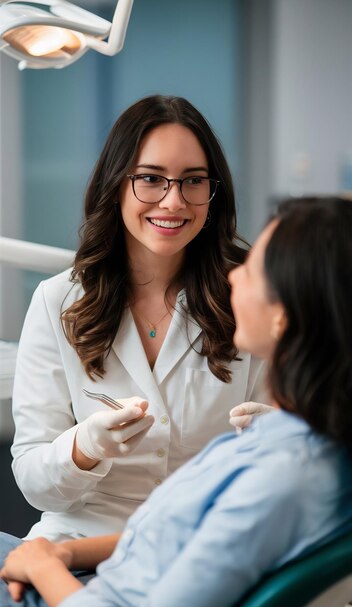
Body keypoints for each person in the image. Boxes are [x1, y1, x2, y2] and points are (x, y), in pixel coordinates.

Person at [1, 195, 352, 607]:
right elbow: (179, 537)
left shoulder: (280, 476)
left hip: (69, 605)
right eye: (150, 178)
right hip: (89, 561)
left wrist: (45, 569)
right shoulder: (297, 447)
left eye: (256, 267)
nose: (235, 274)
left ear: (285, 316)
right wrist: (64, 549)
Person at [11, 95, 268, 542]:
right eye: (150, 179)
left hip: (204, 541)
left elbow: (301, 463)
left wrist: (278, 437)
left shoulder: (249, 296)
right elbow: (36, 484)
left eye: (192, 181)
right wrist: (85, 448)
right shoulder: (58, 301)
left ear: (213, 193)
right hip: (79, 536)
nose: (173, 201)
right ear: (115, 185)